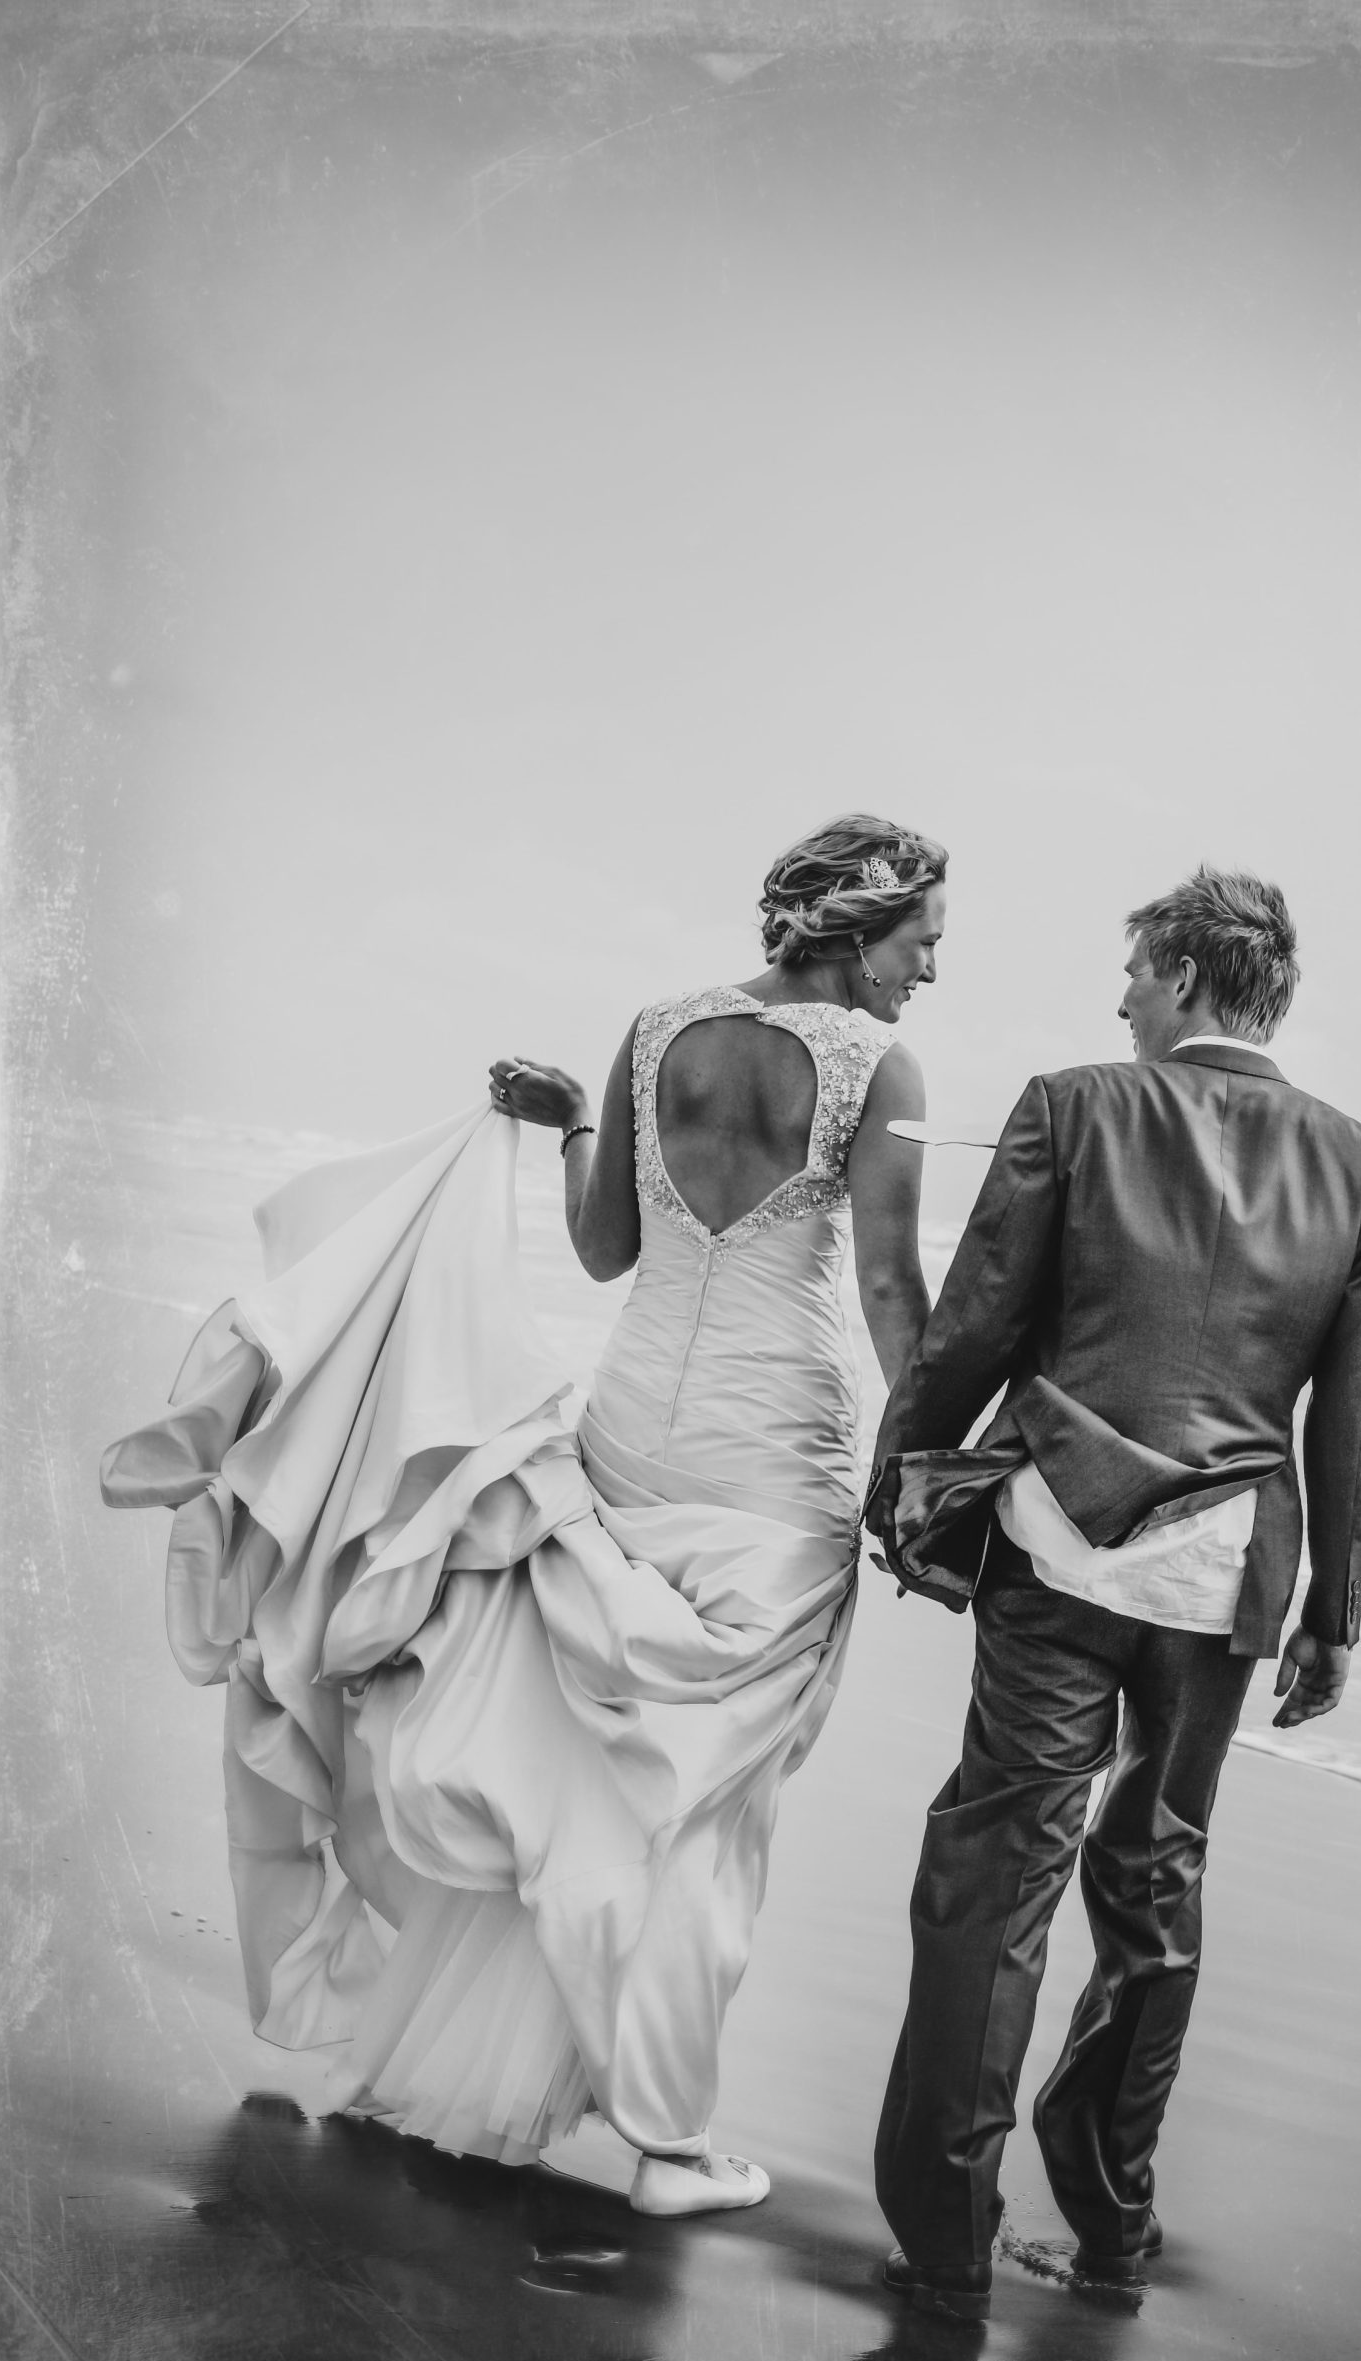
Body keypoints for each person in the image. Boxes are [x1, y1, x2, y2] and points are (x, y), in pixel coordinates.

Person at [101, 814, 945, 2218]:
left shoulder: (658, 1029)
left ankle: (535, 2083)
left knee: (593, 1765)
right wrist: (923, 1460)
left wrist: (576, 1129)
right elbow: (890, 1290)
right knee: (708, 1796)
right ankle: (668, 2143)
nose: (928, 972)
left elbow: (607, 1251)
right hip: (772, 1458)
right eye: (923, 942)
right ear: (862, 928)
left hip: (633, 1432)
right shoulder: (881, 1064)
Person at [866, 867, 1361, 2317]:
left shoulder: (1073, 1105)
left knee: (999, 1873)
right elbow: (1352, 1416)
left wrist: (902, 1477)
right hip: (1224, 1580)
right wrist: (1334, 1614)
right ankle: (1113, 2221)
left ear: (1179, 973)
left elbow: (974, 1325)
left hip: (1059, 1542)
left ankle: (948, 2241)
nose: (1120, 1002)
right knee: (1156, 1882)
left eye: (1133, 975)